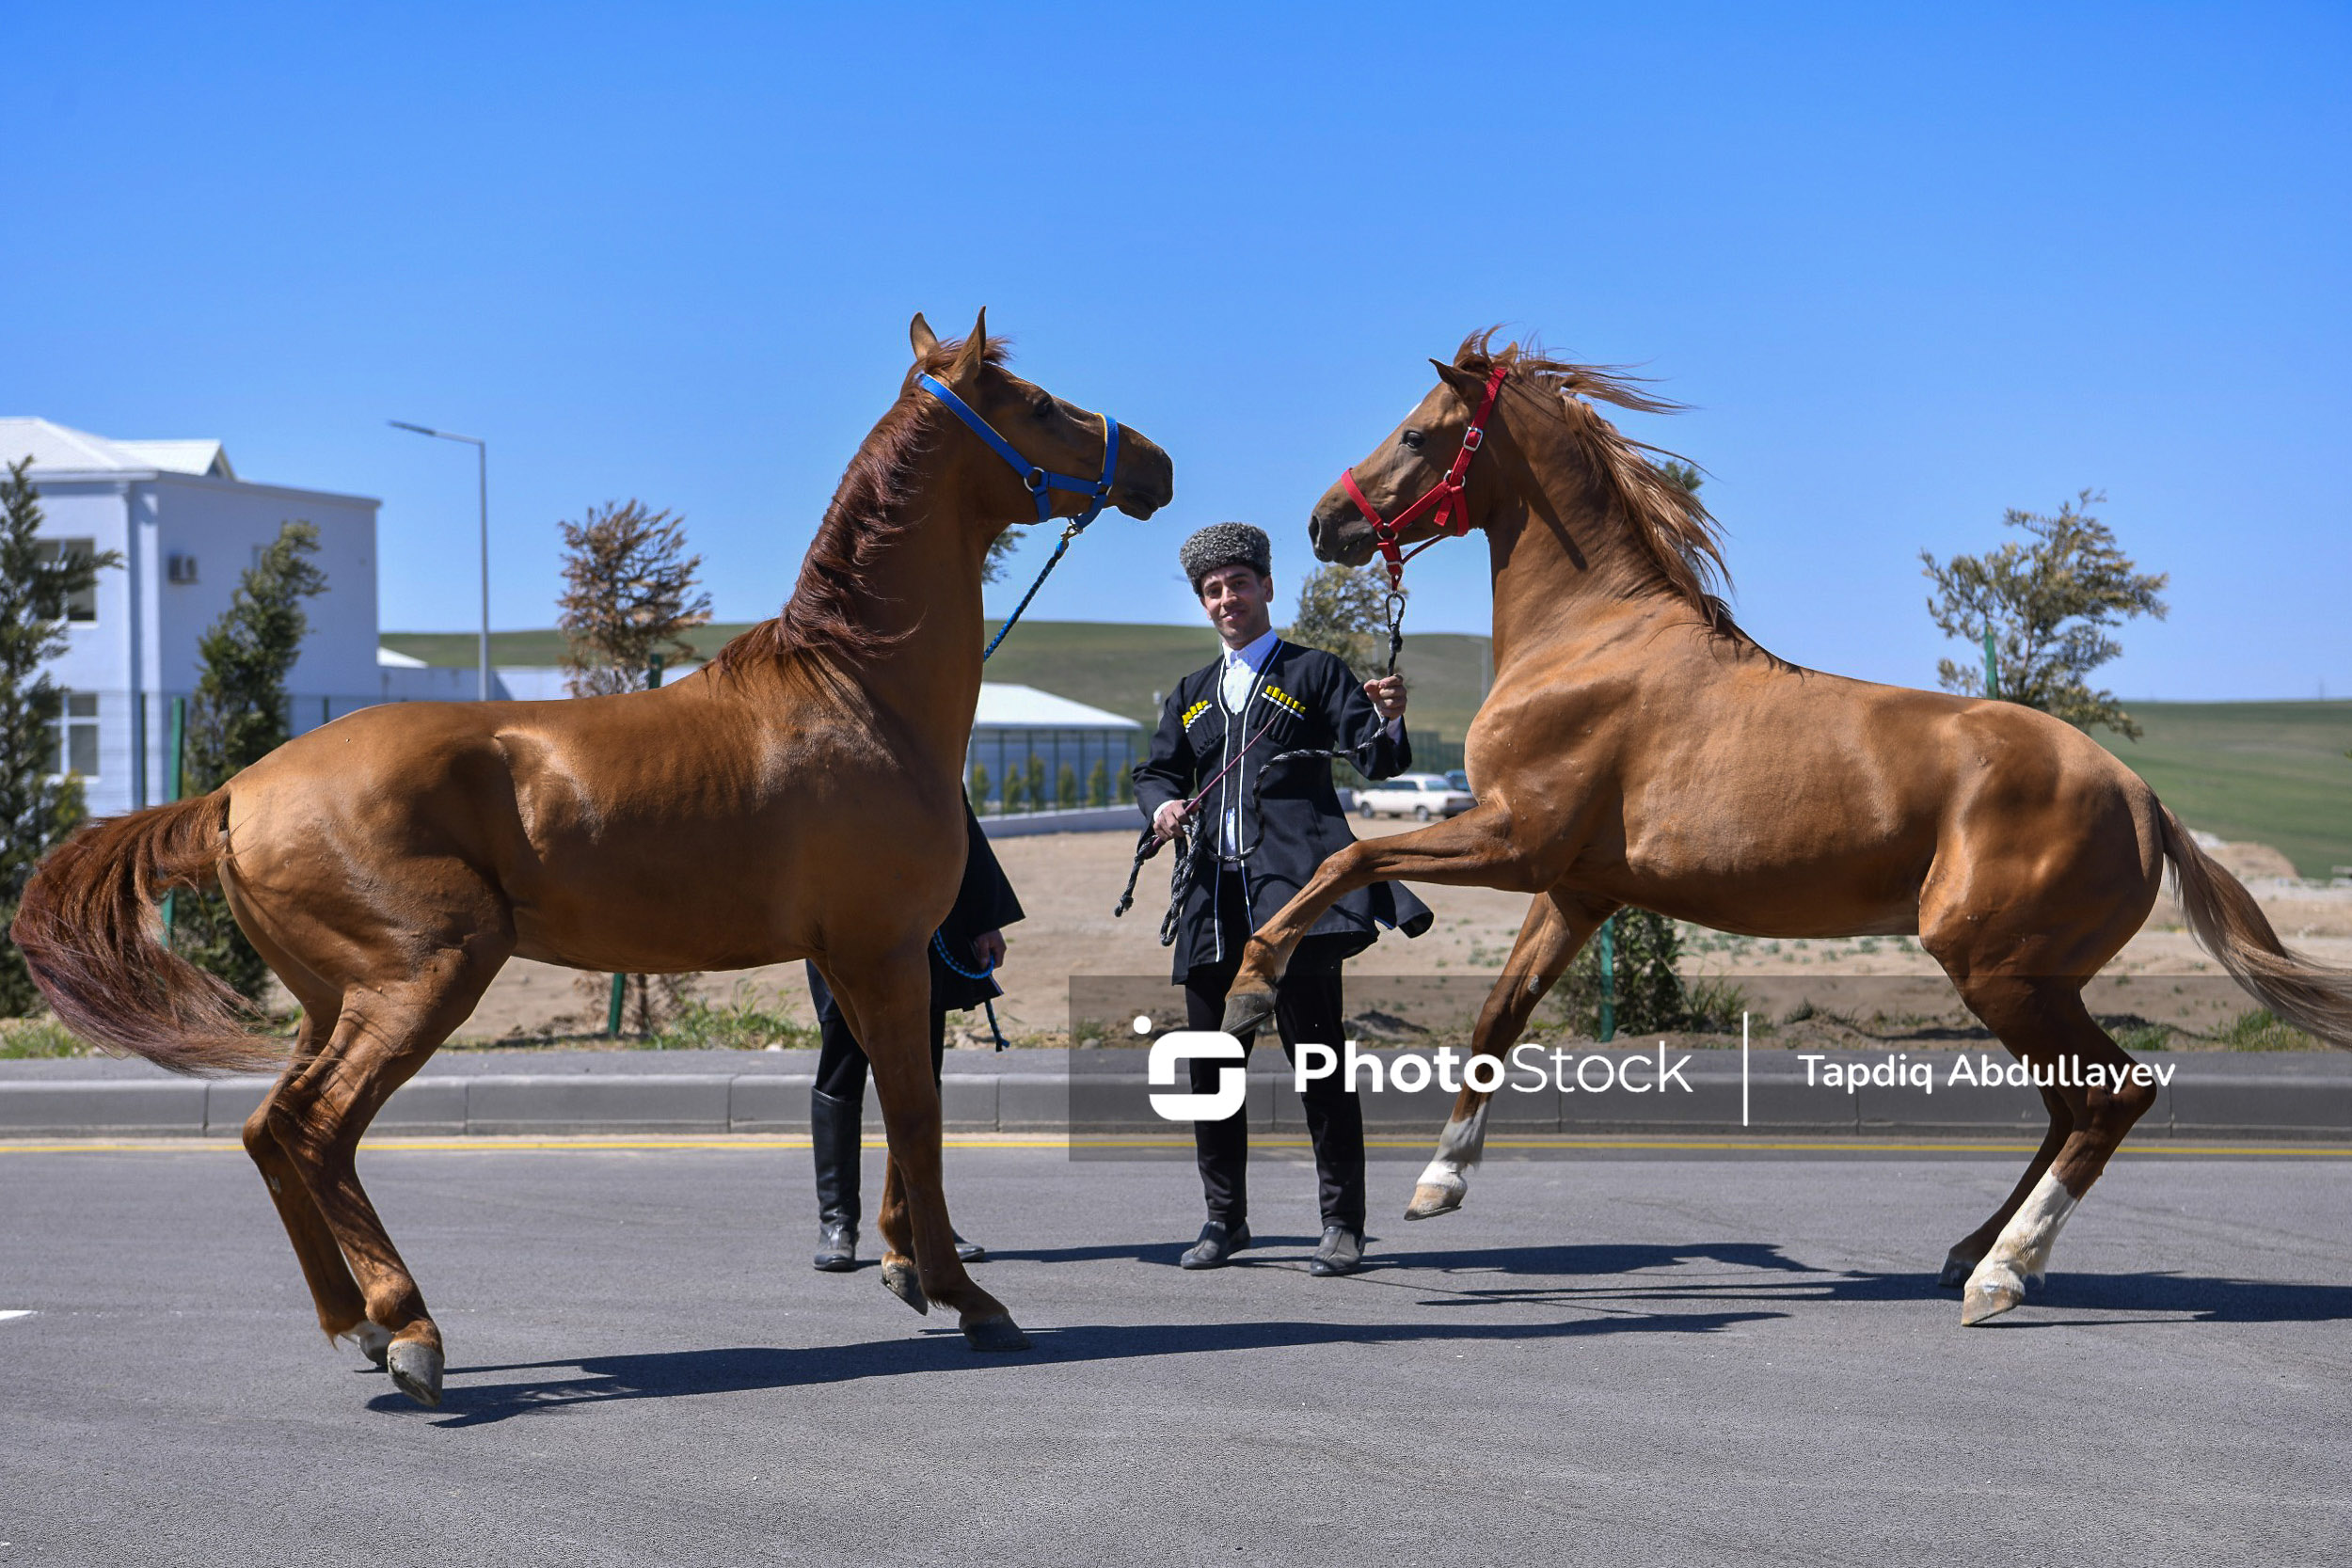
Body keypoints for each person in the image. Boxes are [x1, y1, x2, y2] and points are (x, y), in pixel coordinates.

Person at [1132, 522, 1430, 1277]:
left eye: (1238, 583)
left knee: (1319, 1066)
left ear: (1267, 587)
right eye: (1213, 589)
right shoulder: (1192, 695)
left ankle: (1343, 1225)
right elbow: (1155, 773)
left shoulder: (1317, 674)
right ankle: (1224, 1220)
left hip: (1297, 909)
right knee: (1211, 1072)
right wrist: (1163, 808)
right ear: (1205, 604)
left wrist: (1390, 717)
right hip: (1210, 906)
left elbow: (1376, 759)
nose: (1227, 598)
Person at [808, 802, 1024, 1272]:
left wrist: (984, 918)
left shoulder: (913, 739)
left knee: (922, 1072)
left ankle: (926, 1220)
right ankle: (837, 1221)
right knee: (841, 1067)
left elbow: (954, 818)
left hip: (916, 931)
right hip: (840, 928)